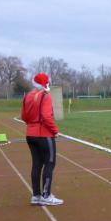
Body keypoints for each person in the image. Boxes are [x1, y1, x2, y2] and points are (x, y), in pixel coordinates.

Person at [21, 72, 63, 205]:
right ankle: (46, 195)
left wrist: (32, 124)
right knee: (49, 163)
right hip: (44, 135)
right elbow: (46, 116)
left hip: (30, 134)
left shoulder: (27, 96)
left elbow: (24, 116)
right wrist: (55, 131)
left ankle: (36, 195)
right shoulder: (45, 96)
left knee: (36, 164)